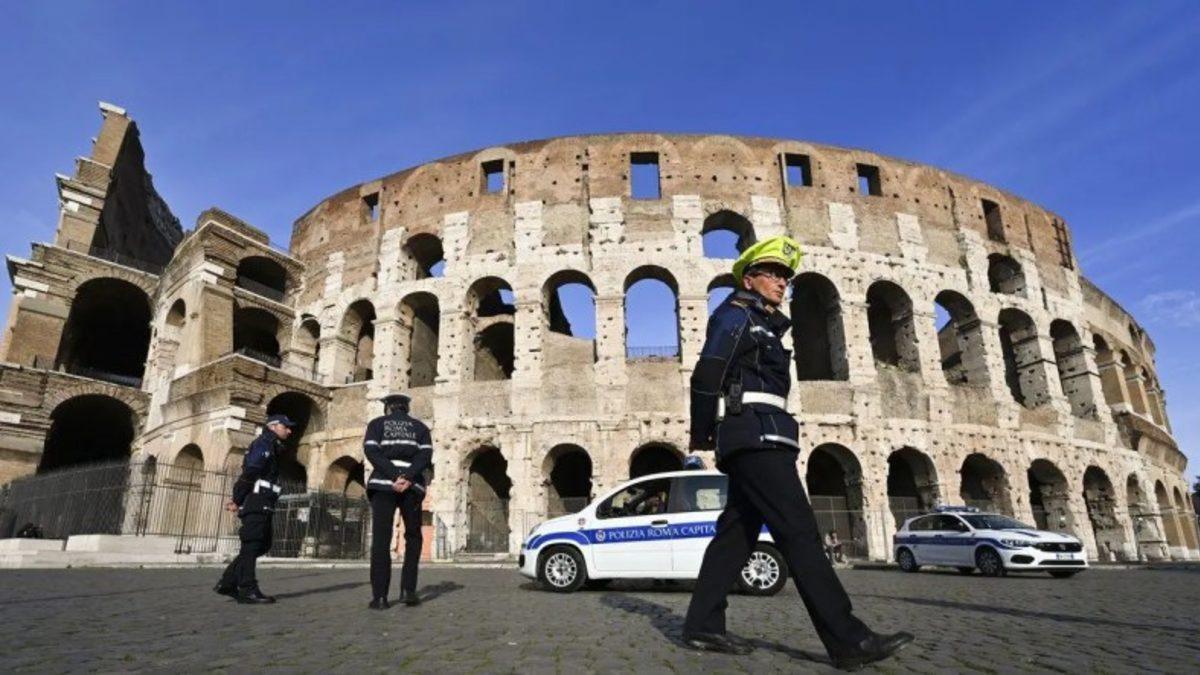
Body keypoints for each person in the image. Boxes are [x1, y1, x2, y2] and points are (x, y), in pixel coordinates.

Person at [682, 236, 914, 670]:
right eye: (772, 273)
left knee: (735, 537)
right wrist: (702, 434)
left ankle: (702, 625)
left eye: (786, 276)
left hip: (767, 435)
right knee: (800, 531)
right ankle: (847, 639)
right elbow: (707, 371)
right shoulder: (734, 315)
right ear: (749, 278)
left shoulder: (766, 325)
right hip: (753, 437)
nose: (781, 282)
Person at [214, 414, 295, 604]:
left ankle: (227, 582)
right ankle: (248, 588)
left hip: (264, 500)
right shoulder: (263, 444)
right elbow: (250, 472)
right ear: (274, 426)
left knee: (262, 544)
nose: (289, 431)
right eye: (286, 426)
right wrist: (237, 498)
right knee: (252, 543)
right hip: (256, 500)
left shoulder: (272, 445)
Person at [364, 393, 433, 610]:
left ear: (388, 408)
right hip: (412, 487)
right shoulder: (420, 427)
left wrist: (394, 475)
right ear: (406, 408)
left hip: (383, 484)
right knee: (413, 536)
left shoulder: (377, 424)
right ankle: (408, 591)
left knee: (381, 540)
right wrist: (408, 477)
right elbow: (425, 457)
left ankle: (380, 597)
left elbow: (371, 451)